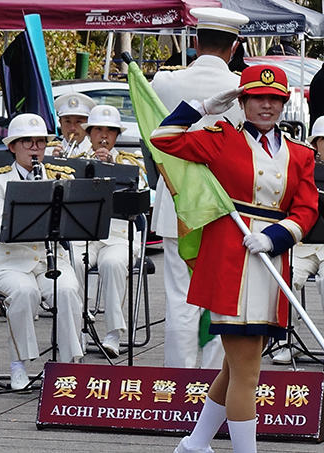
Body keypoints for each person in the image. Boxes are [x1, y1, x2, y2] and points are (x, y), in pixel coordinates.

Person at [151, 64, 319, 453]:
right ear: (241, 101)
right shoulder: (220, 137)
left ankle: (194, 444)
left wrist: (277, 236)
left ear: (284, 103)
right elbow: (162, 138)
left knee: (236, 366)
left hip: (272, 261)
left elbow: (307, 208)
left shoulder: (300, 153)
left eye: (274, 99)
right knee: (248, 373)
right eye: (257, 97)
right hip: (231, 260)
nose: (266, 105)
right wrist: (204, 106)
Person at [151, 7, 249, 369]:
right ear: (235, 47)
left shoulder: (164, 81)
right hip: (225, 202)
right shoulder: (242, 88)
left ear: (195, 43)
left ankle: (177, 378)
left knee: (180, 296)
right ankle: (212, 380)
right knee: (221, 296)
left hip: (176, 202)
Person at [0, 113, 83, 390]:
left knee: (67, 290)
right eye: (27, 142)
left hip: (50, 259)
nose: (36, 148)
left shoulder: (61, 177)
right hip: (10, 262)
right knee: (25, 293)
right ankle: (18, 365)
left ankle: (69, 365)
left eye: (40, 142)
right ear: (13, 146)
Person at [69, 105, 141, 357]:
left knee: (112, 264)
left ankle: (113, 334)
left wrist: (112, 168)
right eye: (98, 129)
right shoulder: (74, 163)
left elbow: (140, 196)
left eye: (110, 131)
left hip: (120, 233)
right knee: (72, 262)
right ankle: (75, 329)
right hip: (83, 232)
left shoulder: (131, 163)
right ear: (89, 133)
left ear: (116, 136)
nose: (103, 136)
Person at [271, 116, 324, 364]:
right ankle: (288, 343)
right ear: (316, 143)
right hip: (303, 245)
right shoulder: (304, 165)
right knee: (286, 278)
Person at [50, 92, 95, 157]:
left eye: (78, 122)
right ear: (60, 123)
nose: (72, 128)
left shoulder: (95, 152)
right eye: (68, 121)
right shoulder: (48, 151)